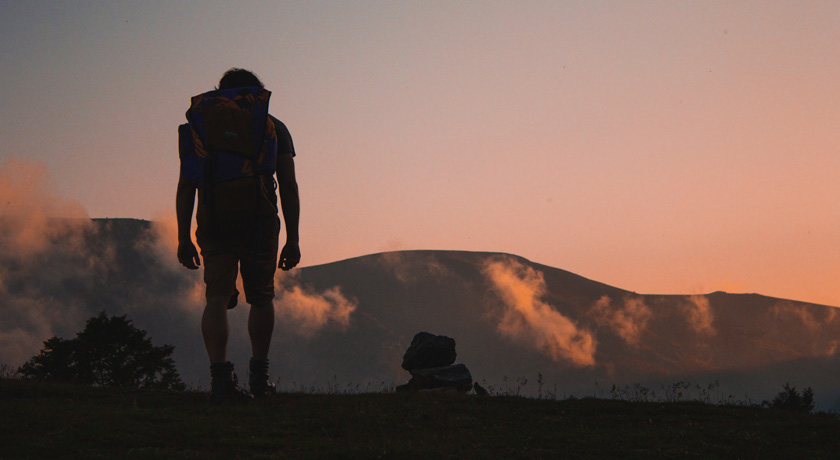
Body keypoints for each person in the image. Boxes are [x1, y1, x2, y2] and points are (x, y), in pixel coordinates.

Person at [176, 68, 301, 402]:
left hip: (213, 218)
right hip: (258, 219)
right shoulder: (271, 126)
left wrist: (183, 236)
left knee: (216, 297)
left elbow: (187, 183)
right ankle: (259, 380)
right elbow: (287, 184)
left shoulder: (201, 127)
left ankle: (221, 381)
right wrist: (293, 237)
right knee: (261, 297)